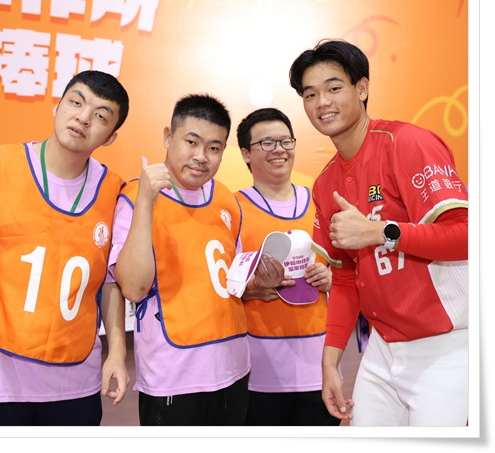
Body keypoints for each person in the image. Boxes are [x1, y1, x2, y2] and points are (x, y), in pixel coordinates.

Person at [288, 39, 469, 426]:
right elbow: (345, 277)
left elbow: (468, 237)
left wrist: (380, 232)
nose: (322, 102)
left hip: (448, 346)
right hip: (383, 348)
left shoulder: (406, 143)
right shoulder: (325, 184)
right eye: (310, 94)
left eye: (334, 88)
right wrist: (330, 362)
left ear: (362, 88)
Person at [0, 70, 131, 426]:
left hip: (75, 383)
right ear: (56, 106)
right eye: (76, 102)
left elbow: (110, 283)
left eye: (101, 116)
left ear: (111, 137)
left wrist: (117, 353)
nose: (83, 117)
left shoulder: (113, 190)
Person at [109, 93, 293, 426]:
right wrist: (147, 202)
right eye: (191, 142)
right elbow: (133, 288)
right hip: (173, 377)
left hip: (234, 370)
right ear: (168, 137)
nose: (201, 157)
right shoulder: (136, 197)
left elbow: (231, 282)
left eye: (214, 147)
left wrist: (260, 282)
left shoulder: (226, 198)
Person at [235, 107, 339, 426]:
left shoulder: (321, 203)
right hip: (257, 372)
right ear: (246, 154)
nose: (278, 150)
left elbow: (348, 270)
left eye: (285, 141)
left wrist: (331, 278)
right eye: (266, 143)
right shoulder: (233, 209)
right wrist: (253, 288)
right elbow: (220, 283)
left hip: (318, 366)